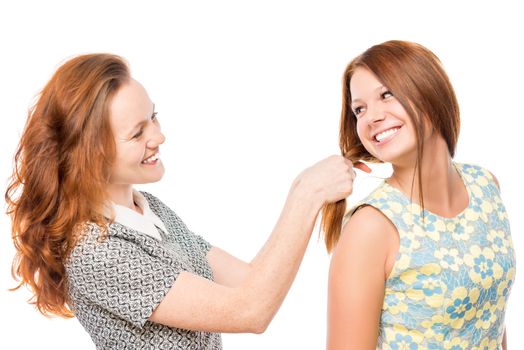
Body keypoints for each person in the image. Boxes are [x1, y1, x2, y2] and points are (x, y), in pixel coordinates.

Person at [5, 54, 369, 349]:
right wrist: (307, 193)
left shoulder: (149, 209)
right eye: (138, 133)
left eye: (153, 117)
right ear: (91, 155)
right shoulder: (95, 252)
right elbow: (251, 311)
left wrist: (302, 191)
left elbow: (252, 282)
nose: (159, 135)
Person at [322, 41, 515, 349]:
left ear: (428, 88)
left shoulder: (485, 186)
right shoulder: (372, 228)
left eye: (386, 94)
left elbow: (489, 319)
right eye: (360, 109)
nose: (371, 117)